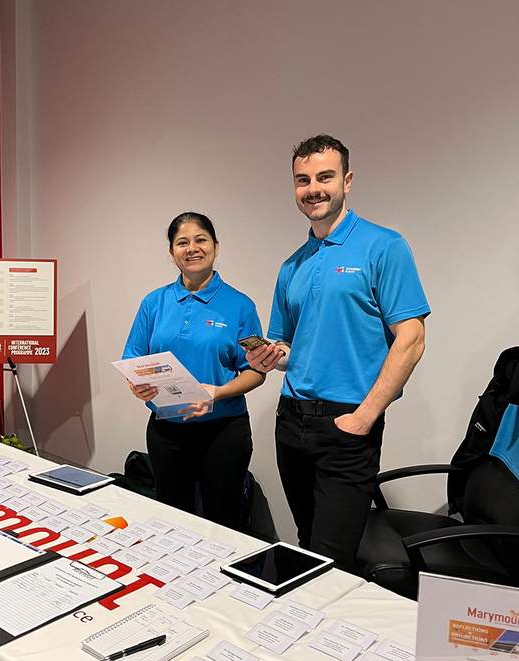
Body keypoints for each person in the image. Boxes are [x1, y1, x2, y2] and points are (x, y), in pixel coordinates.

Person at [246, 135, 430, 572]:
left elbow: (412, 338)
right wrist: (269, 358)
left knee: (334, 558)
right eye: (302, 180)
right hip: (291, 422)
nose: (314, 188)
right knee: (307, 546)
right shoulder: (292, 264)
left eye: (325, 177)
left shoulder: (383, 246)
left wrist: (364, 417)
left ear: (346, 181)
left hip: (346, 423)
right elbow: (291, 348)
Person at [122, 212, 265, 530]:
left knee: (223, 522)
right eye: (182, 242)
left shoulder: (239, 305)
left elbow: (255, 371)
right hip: (166, 431)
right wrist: (138, 385)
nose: (192, 248)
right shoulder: (154, 302)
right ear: (171, 252)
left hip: (223, 431)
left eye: (200, 240)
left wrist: (217, 392)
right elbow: (133, 358)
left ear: (216, 246)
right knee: (172, 520)